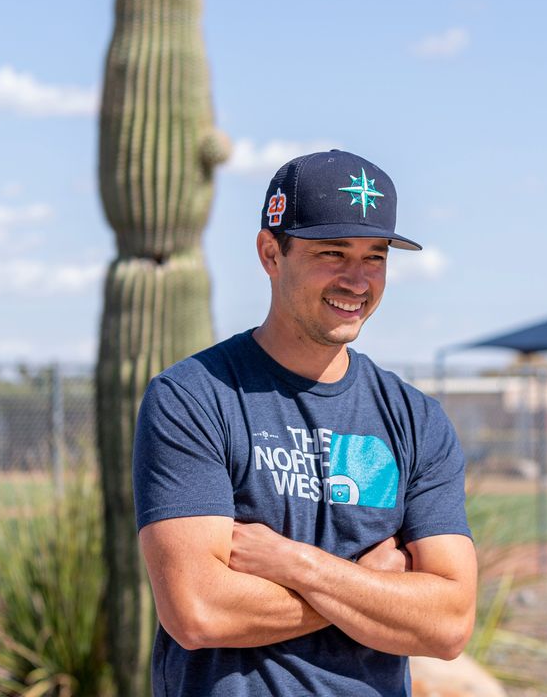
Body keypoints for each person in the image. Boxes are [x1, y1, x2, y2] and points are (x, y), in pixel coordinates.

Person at [133, 150, 476, 696]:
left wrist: (296, 565)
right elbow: (198, 610)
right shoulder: (194, 398)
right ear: (271, 253)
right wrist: (374, 585)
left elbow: (448, 623)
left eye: (375, 256)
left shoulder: (416, 418)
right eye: (332, 253)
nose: (357, 280)